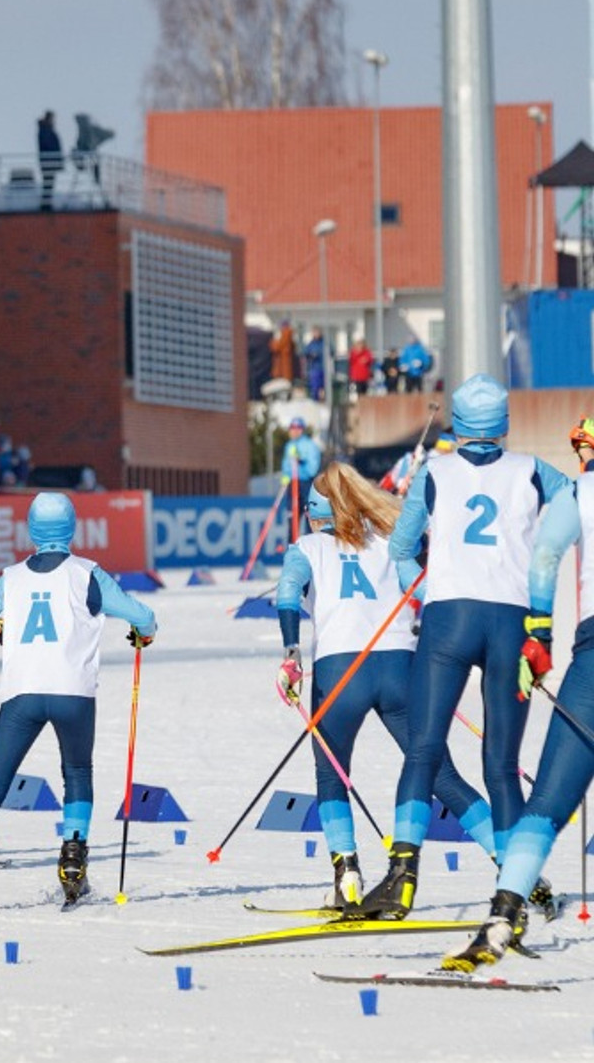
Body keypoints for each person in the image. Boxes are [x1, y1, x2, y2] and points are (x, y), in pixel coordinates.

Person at [363, 375, 572, 919]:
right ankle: (513, 890)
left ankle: (401, 878)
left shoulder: (433, 471)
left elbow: (403, 550)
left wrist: (431, 592)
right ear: (504, 425)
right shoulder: (532, 470)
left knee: (424, 749)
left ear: (457, 425)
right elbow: (578, 504)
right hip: (513, 622)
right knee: (501, 765)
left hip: (449, 620)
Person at [0, 493, 157, 907]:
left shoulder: (13, 577)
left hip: (22, 693)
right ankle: (73, 859)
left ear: (31, 530)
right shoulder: (87, 574)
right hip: (73, 694)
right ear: (71, 529)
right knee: (77, 772)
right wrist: (144, 633)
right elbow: (142, 617)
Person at [274, 464, 498, 911]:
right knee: (442, 775)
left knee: (331, 774)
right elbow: (426, 590)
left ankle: (347, 876)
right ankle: (514, 865)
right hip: (401, 669)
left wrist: (290, 654)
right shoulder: (392, 544)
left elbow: (285, 595)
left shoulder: (306, 547)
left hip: (341, 672)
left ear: (319, 514)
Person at [445, 416, 594, 970]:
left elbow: (545, 560)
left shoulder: (579, 491)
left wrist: (538, 638)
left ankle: (501, 919)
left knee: (547, 807)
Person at [283, 418, 322, 541]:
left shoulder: (310, 445)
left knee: (308, 516)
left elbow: (313, 469)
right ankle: (292, 548)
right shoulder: (289, 445)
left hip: (306, 484)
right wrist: (285, 476)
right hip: (292, 483)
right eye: (292, 428)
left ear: (302, 430)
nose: (294, 432)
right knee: (292, 517)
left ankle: (311, 547)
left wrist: (300, 461)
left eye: (297, 429)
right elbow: (285, 464)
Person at [36, 111, 62, 212]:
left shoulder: (46, 130)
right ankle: (45, 204)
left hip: (50, 161)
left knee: (49, 182)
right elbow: (49, 145)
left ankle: (47, 203)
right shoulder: (45, 130)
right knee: (48, 182)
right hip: (48, 161)